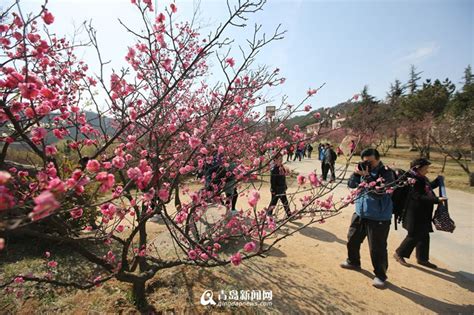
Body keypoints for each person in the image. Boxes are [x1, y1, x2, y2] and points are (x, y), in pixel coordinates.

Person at [341, 148, 395, 289]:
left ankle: (380, 275)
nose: (367, 165)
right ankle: (353, 261)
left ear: (377, 159)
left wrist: (367, 176)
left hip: (379, 216)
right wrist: (355, 173)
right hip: (360, 212)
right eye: (364, 162)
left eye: (370, 162)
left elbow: (380, 192)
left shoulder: (387, 172)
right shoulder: (362, 169)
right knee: (352, 239)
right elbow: (351, 185)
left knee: (377, 248)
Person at [393, 158, 446, 269]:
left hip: (423, 213)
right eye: (425, 168)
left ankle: (422, 259)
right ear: (418, 168)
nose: (427, 171)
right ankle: (399, 253)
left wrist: (437, 182)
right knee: (414, 235)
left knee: (424, 235)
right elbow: (418, 196)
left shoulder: (421, 178)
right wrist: (436, 200)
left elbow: (426, 189)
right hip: (414, 213)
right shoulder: (413, 180)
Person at [268, 153, 291, 218]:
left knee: (285, 202)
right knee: (273, 203)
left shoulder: (282, 168)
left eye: (282, 158)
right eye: (279, 159)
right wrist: (273, 189)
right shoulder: (274, 170)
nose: (281, 160)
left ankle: (289, 215)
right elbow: (272, 181)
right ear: (275, 160)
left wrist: (285, 186)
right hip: (276, 190)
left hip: (282, 188)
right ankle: (269, 214)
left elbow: (283, 178)